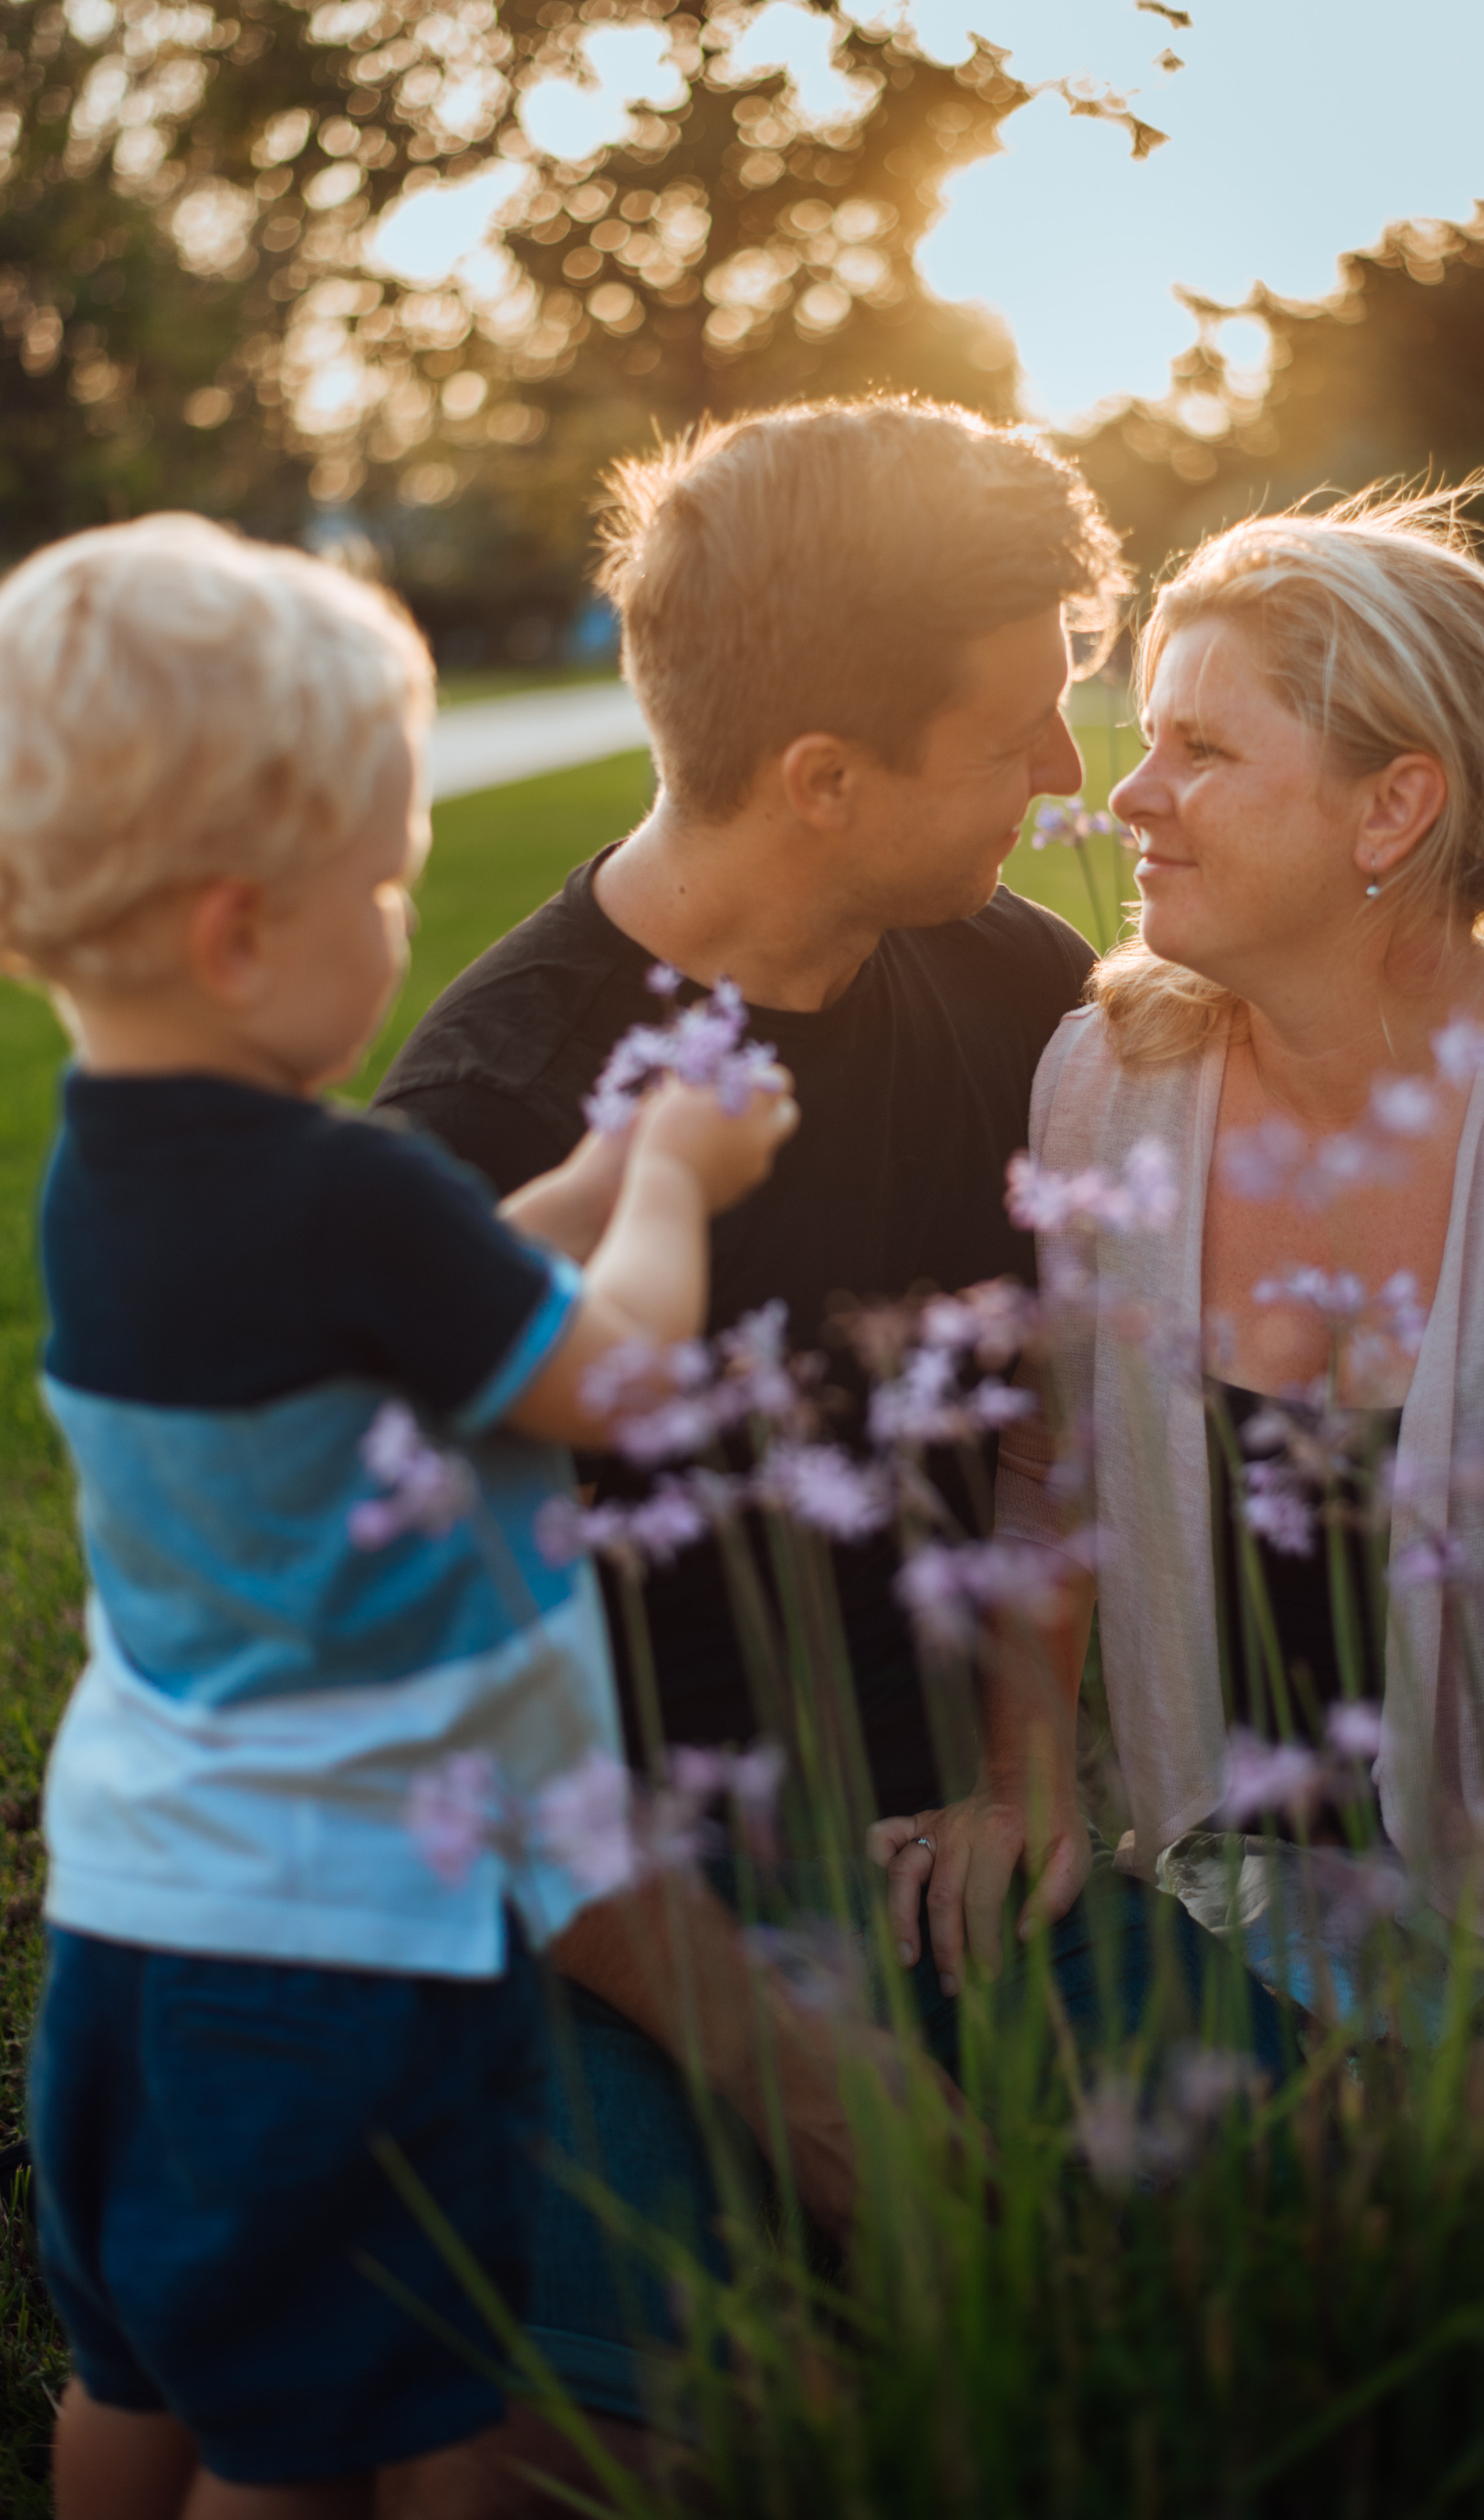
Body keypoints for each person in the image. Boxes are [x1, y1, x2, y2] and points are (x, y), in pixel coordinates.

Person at [374, 400, 1279, 2490]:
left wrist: (1026, 1767)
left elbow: (1056, 1405)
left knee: (1341, 2212)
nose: (1074, 776)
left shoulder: (1011, 986)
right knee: (606, 2455)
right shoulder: (494, 1126)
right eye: (1021, 729)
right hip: (595, 1907)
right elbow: (441, 1706)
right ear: (822, 780)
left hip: (943, 1848)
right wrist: (778, 2060)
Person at [0, 514, 795, 2519]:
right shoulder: (346, 1194)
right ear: (237, 931)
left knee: (144, 2366)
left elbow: (432, 1326)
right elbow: (610, 1380)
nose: (399, 920)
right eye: (382, 884)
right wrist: (685, 1183)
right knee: (318, 2430)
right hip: (339, 1957)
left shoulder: (112, 1175)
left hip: (134, 1925)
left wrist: (592, 1174)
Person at [876, 484, 1484, 2085]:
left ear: (1390, 812)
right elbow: (1054, 1469)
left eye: (1202, 752)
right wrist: (1027, 1772)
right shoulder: (1101, 1085)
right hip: (1210, 1937)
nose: (1131, 797)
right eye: (1147, 739)